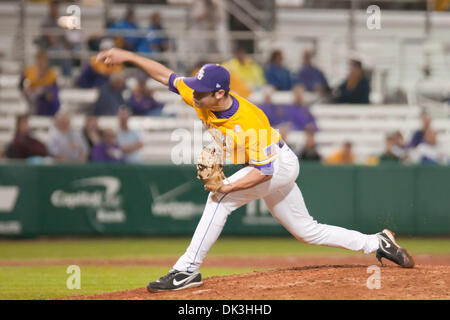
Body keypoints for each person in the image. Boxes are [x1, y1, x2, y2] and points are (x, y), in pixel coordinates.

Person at [96, 48, 415, 292]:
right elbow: (166, 75)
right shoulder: (200, 96)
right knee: (307, 231)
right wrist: (127, 57)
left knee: (218, 201)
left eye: (201, 90)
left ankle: (187, 270)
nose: (193, 93)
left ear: (219, 93)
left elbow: (264, 172)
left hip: (278, 165)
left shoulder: (249, 120)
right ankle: (377, 243)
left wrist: (226, 188)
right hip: (268, 164)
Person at [19, 51, 60, 116]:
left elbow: (55, 89)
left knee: (52, 100)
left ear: (46, 62)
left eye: (43, 60)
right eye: (39, 60)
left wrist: (44, 89)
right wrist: (26, 91)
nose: (40, 63)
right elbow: (21, 85)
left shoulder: (51, 74)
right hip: (32, 96)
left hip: (45, 98)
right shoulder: (30, 70)